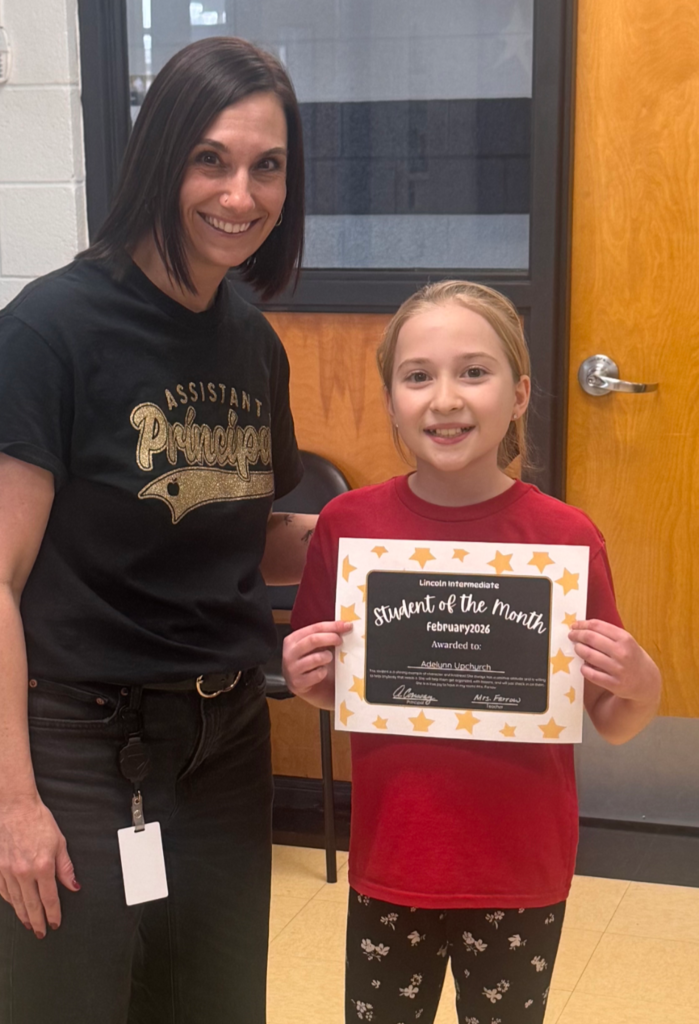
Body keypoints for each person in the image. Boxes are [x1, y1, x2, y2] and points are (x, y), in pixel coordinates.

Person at [0, 37, 313, 1024]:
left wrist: (398, 543)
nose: (240, 194)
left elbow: (251, 531)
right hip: (78, 740)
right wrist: (15, 803)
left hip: (224, 736)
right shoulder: (47, 334)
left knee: (212, 1002)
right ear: (160, 157)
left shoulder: (250, 337)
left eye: (267, 166)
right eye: (211, 159)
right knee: (67, 1003)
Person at [283, 281, 662, 1024]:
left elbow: (611, 719)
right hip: (394, 857)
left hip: (520, 865)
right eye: (417, 375)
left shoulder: (565, 537)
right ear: (391, 397)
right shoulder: (348, 525)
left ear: (518, 394)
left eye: (473, 372)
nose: (444, 398)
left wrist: (642, 684)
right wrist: (308, 681)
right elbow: (342, 686)